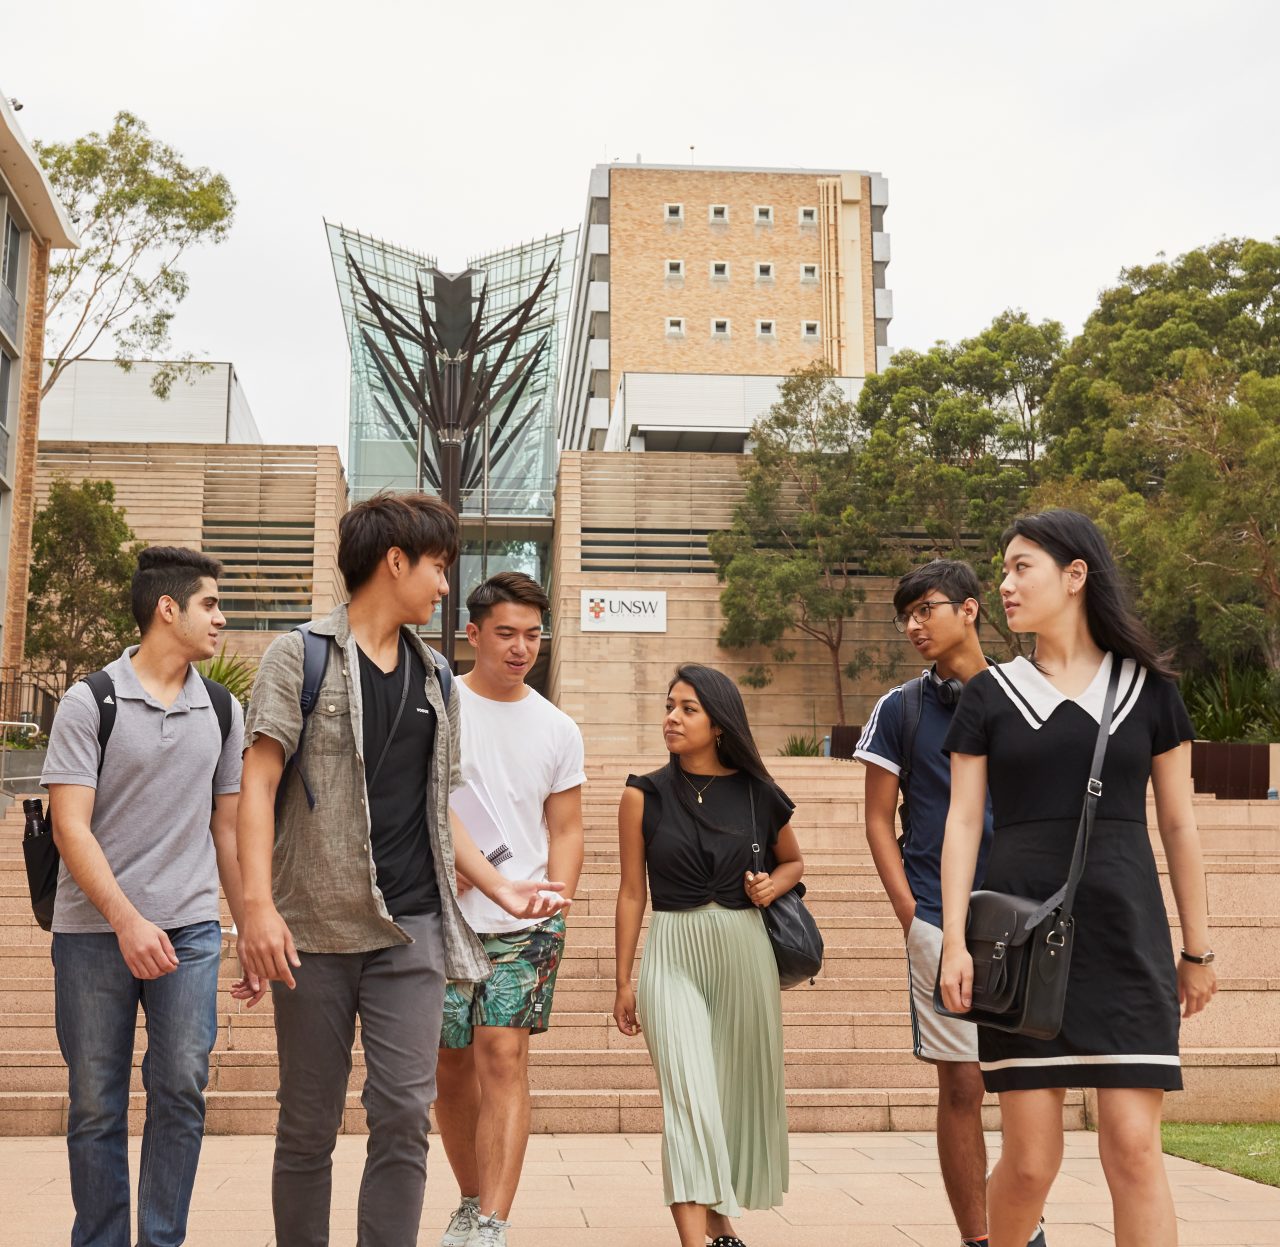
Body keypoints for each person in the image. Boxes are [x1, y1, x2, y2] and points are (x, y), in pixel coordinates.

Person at [236, 492, 570, 1247]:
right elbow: (256, 783)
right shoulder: (299, 656)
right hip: (314, 926)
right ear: (395, 562)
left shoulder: (434, 679)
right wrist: (256, 906)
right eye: (439, 567)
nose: (445, 586)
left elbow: (436, 807)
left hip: (413, 928)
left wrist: (498, 883)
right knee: (309, 1121)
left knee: (402, 1114)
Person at [938, 510, 1218, 1247]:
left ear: (1075, 575)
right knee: (1029, 1162)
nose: (1004, 583)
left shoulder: (1150, 691)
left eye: (1020, 566)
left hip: (1127, 934)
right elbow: (963, 821)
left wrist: (1198, 947)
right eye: (1003, 569)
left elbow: (1181, 824)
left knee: (1132, 1144)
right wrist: (954, 943)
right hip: (1019, 941)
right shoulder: (990, 695)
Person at [42, 546, 249, 1247]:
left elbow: (227, 831)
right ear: (168, 608)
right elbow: (69, 825)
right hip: (94, 931)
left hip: (189, 929)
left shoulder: (222, 708)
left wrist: (249, 924)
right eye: (210, 603)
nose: (221, 617)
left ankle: (161, 1239)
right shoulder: (89, 700)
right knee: (96, 1102)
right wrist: (127, 919)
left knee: (182, 1090)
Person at [859, 559, 1048, 1247]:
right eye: (904, 615)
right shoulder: (901, 707)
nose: (913, 625)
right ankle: (979, 1238)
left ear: (970, 609)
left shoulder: (1029, 693)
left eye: (926, 609)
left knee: (1029, 1089)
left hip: (1027, 924)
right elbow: (880, 819)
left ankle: (1022, 1224)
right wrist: (914, 916)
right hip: (940, 919)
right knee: (963, 1086)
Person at [614, 664, 802, 1247]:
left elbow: (793, 861)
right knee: (688, 1098)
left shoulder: (759, 794)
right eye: (670, 705)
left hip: (745, 954)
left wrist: (776, 884)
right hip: (672, 952)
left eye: (687, 709)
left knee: (728, 1096)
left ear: (719, 724)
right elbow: (629, 892)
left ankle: (722, 1231)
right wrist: (623, 981)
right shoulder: (641, 794)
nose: (671, 717)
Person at [435, 571, 585, 1247]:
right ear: (473, 634)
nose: (522, 647)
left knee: (503, 1055)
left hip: (524, 922)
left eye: (532, 634)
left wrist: (555, 897)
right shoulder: (440, 708)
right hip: (443, 914)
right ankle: (470, 1196)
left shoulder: (557, 727)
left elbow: (569, 825)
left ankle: (492, 1218)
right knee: (449, 1060)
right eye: (506, 633)